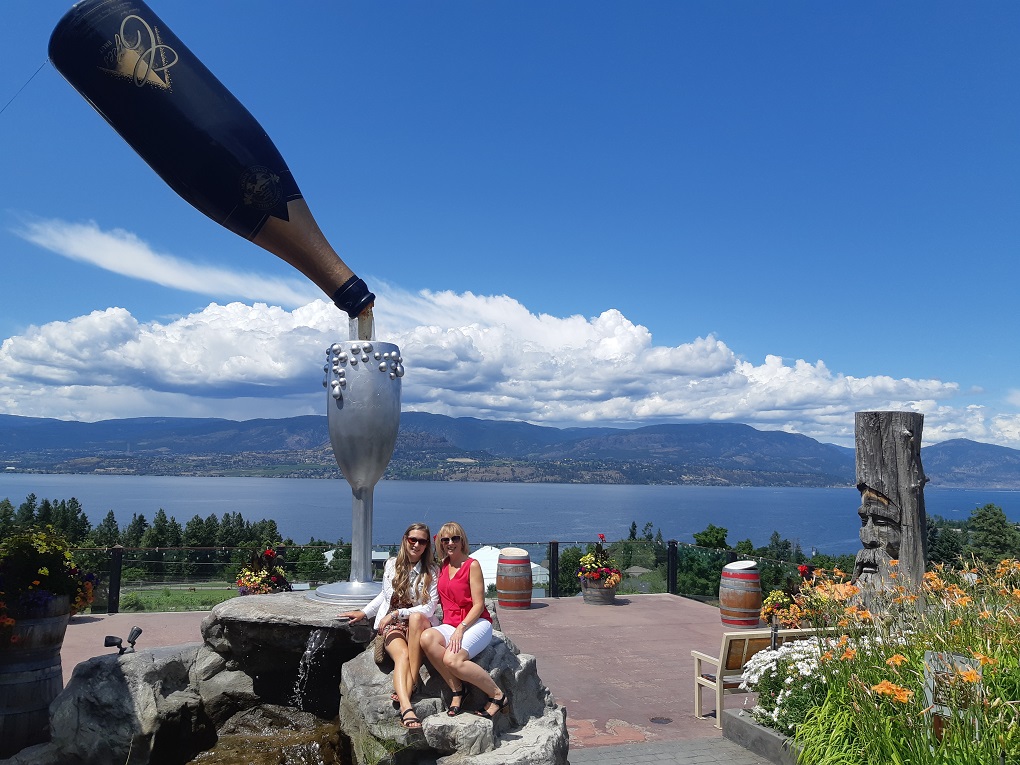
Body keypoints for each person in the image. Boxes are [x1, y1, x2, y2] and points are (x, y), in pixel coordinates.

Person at [340, 522, 438, 729]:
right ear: (405, 540)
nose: (417, 545)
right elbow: (384, 596)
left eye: (422, 541)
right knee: (402, 655)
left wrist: (397, 613)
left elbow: (428, 609)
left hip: (416, 625)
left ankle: (407, 687)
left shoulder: (432, 571)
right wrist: (365, 612)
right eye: (413, 539)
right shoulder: (392, 564)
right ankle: (406, 706)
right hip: (391, 625)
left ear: (427, 545)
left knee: (412, 648)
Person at [420, 521, 508, 719]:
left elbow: (478, 604)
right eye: (445, 540)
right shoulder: (441, 567)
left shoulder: (472, 565)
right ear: (441, 544)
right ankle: (457, 690)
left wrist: (461, 628)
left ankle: (497, 696)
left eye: (455, 538)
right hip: (450, 624)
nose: (450, 543)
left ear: (462, 541)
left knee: (452, 659)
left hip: (476, 623)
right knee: (426, 638)